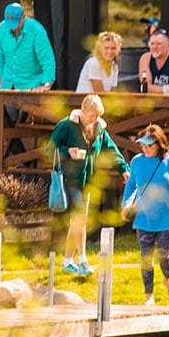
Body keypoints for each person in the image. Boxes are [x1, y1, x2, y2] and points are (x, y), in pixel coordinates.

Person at [47, 94, 128, 277]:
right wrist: (68, 151)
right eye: (92, 116)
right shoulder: (66, 125)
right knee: (81, 218)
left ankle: (67, 261)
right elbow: (50, 149)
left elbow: (111, 151)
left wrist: (123, 168)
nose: (95, 120)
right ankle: (83, 259)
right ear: (83, 111)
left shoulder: (99, 129)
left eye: (98, 116)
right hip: (70, 180)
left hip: (88, 181)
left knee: (77, 221)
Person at [121, 123, 169, 306]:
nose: (144, 148)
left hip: (167, 218)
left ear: (159, 144)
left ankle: (167, 280)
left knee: (163, 255)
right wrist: (125, 204)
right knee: (146, 258)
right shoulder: (136, 161)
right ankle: (149, 296)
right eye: (142, 145)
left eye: (148, 145)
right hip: (143, 218)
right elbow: (131, 186)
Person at [0, 2, 55, 92]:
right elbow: (0, 55)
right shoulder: (2, 27)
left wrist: (47, 84)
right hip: (7, 86)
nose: (13, 28)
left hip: (31, 87)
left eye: (16, 23)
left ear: (23, 17)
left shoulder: (37, 30)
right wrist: (0, 76)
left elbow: (47, 60)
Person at [139, 29, 169, 95]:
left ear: (168, 45)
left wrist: (155, 89)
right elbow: (146, 88)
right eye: (152, 44)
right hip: (151, 102)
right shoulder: (145, 58)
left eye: (159, 44)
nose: (154, 47)